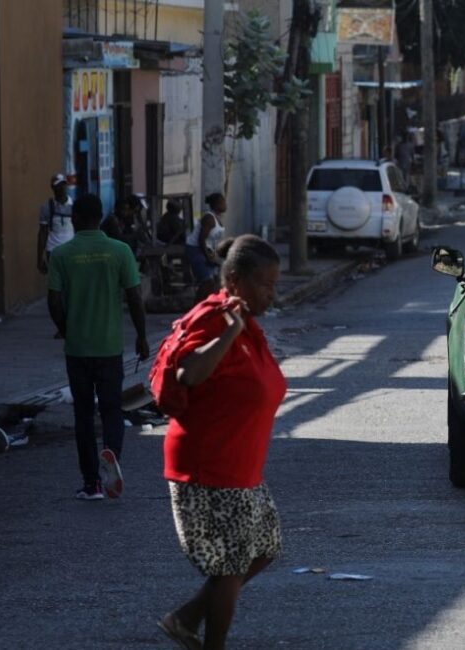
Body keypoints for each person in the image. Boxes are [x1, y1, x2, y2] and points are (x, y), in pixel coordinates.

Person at [159, 235, 285, 650]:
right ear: (233, 279)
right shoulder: (216, 319)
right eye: (264, 284)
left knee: (263, 549)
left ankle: (187, 617)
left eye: (274, 284)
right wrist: (229, 332)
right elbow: (189, 375)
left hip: (241, 469)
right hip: (209, 466)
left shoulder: (248, 324)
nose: (272, 294)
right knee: (231, 564)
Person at [46, 194, 149, 501]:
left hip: (78, 349)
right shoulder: (119, 251)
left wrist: (65, 330)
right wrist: (142, 336)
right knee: (111, 408)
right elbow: (134, 297)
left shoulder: (62, 255)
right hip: (109, 347)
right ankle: (112, 453)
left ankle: (91, 484)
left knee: (83, 414)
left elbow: (53, 301)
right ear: (100, 216)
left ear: (75, 218)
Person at [187, 193, 228, 302]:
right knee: (207, 281)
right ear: (216, 204)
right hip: (195, 249)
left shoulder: (217, 218)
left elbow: (212, 242)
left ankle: (206, 306)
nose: (225, 204)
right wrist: (208, 257)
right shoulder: (209, 218)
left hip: (207, 250)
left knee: (215, 283)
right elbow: (201, 240)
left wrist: (213, 256)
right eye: (223, 202)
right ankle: (195, 308)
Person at [37, 174, 74, 274]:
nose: (62, 188)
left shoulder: (74, 205)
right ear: (53, 188)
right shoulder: (47, 207)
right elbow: (42, 233)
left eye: (63, 184)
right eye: (59, 185)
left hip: (71, 250)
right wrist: (39, 258)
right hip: (53, 251)